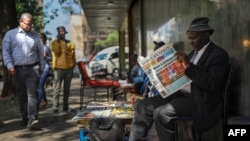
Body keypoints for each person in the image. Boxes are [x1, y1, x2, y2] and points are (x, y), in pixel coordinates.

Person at [129, 17, 229, 141]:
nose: (191, 42)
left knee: (161, 113)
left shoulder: (219, 55)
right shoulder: (193, 53)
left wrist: (188, 65)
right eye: (189, 39)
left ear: (206, 34)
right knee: (142, 106)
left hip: (201, 99)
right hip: (180, 94)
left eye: (194, 38)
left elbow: (212, 83)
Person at [2, 12, 44, 129]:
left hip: (33, 68)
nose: (29, 26)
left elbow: (40, 52)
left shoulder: (35, 35)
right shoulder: (10, 35)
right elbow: (5, 51)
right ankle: (24, 117)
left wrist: (42, 66)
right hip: (17, 69)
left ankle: (33, 118)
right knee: (21, 95)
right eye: (27, 24)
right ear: (20, 22)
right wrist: (10, 66)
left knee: (33, 94)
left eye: (31, 24)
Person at [51, 26, 76, 113]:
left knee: (67, 89)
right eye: (60, 31)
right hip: (58, 68)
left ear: (65, 32)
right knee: (57, 88)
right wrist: (58, 41)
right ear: (58, 33)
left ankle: (65, 106)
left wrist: (73, 65)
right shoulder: (54, 42)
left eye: (63, 31)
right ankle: (55, 107)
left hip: (69, 68)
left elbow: (73, 56)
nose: (61, 33)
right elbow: (56, 52)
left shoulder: (70, 43)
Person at [38, 33, 52, 108]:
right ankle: (45, 100)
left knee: (40, 85)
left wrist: (45, 57)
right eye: (39, 37)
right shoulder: (35, 48)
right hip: (37, 69)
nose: (40, 39)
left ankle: (39, 102)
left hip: (45, 69)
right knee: (40, 86)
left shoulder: (46, 48)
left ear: (44, 39)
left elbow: (50, 58)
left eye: (42, 37)